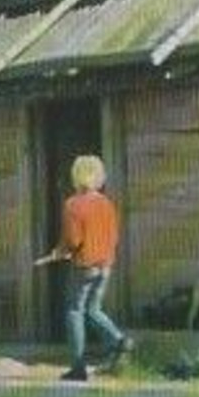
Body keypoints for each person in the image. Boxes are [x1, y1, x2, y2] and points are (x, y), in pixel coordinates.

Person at [36, 155, 133, 382]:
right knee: (94, 309)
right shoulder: (106, 203)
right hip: (105, 264)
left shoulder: (73, 204)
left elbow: (73, 240)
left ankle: (78, 366)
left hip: (85, 264)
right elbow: (114, 235)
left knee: (74, 311)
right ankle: (118, 339)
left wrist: (57, 253)